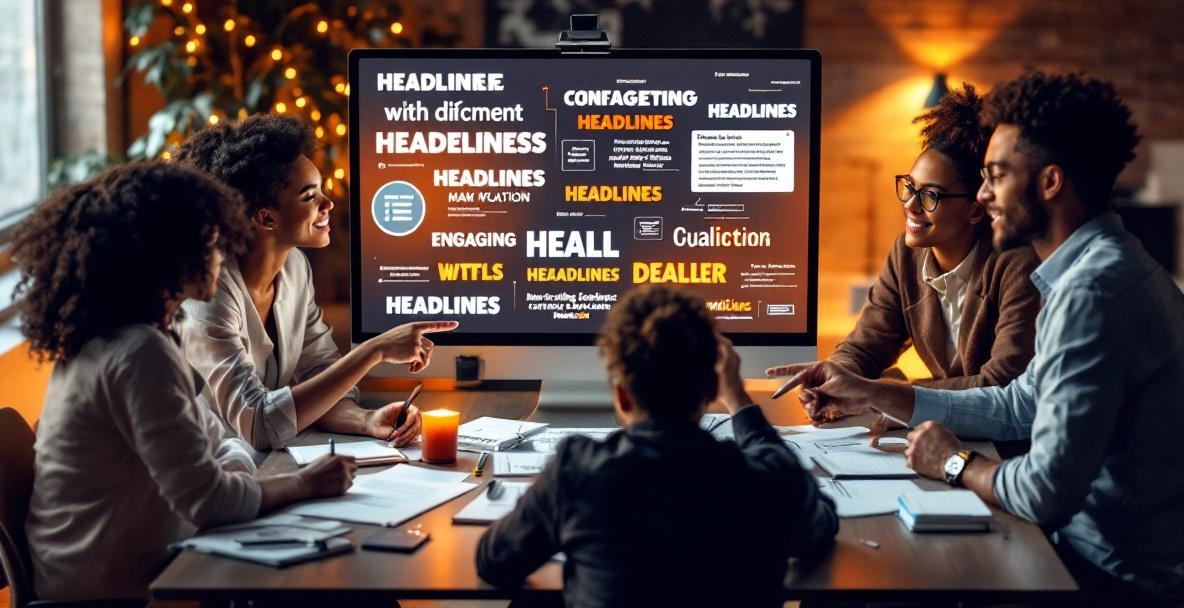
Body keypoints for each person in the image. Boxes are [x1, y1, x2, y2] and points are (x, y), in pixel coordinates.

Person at [769, 71, 1184, 604]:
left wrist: (953, 461)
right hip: (1092, 552)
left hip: (1109, 575)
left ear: (1050, 182)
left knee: (868, 580)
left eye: (996, 176)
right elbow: (1019, 403)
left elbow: (1042, 495)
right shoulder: (1101, 268)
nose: (985, 196)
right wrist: (877, 393)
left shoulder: (1089, 293)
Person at [15, 162, 357, 601]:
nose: (221, 253)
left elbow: (216, 442)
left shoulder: (137, 335)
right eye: (211, 241)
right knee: (335, 587)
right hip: (115, 589)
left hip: (149, 560)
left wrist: (231, 473)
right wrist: (306, 483)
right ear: (169, 253)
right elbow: (210, 500)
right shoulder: (138, 353)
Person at [477, 285, 837, 608]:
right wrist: (739, 398)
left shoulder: (576, 472)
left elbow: (494, 562)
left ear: (621, 395)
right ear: (712, 390)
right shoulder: (770, 479)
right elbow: (818, 530)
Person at [174, 114, 458, 451]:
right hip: (203, 474)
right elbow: (259, 424)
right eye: (310, 197)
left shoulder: (294, 266)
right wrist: (374, 350)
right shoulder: (208, 294)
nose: (328, 203)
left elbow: (317, 374)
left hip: (263, 462)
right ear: (266, 217)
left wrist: (365, 420)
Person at [828, 83, 1039, 390]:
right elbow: (865, 346)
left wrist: (893, 395)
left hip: (1002, 437)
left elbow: (1002, 385)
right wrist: (833, 378)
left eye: (931, 195)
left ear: (976, 210)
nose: (910, 205)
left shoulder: (1016, 265)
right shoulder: (906, 254)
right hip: (943, 429)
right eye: (910, 187)